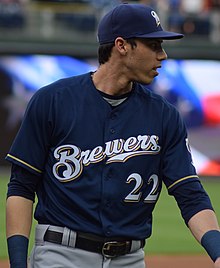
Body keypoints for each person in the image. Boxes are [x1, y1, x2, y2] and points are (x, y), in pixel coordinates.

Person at [5, 3, 220, 268]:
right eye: (153, 45)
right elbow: (21, 187)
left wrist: (217, 250)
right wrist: (17, 262)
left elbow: (190, 193)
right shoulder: (53, 101)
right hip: (61, 254)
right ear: (122, 45)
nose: (162, 55)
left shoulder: (164, 115)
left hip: (129, 259)